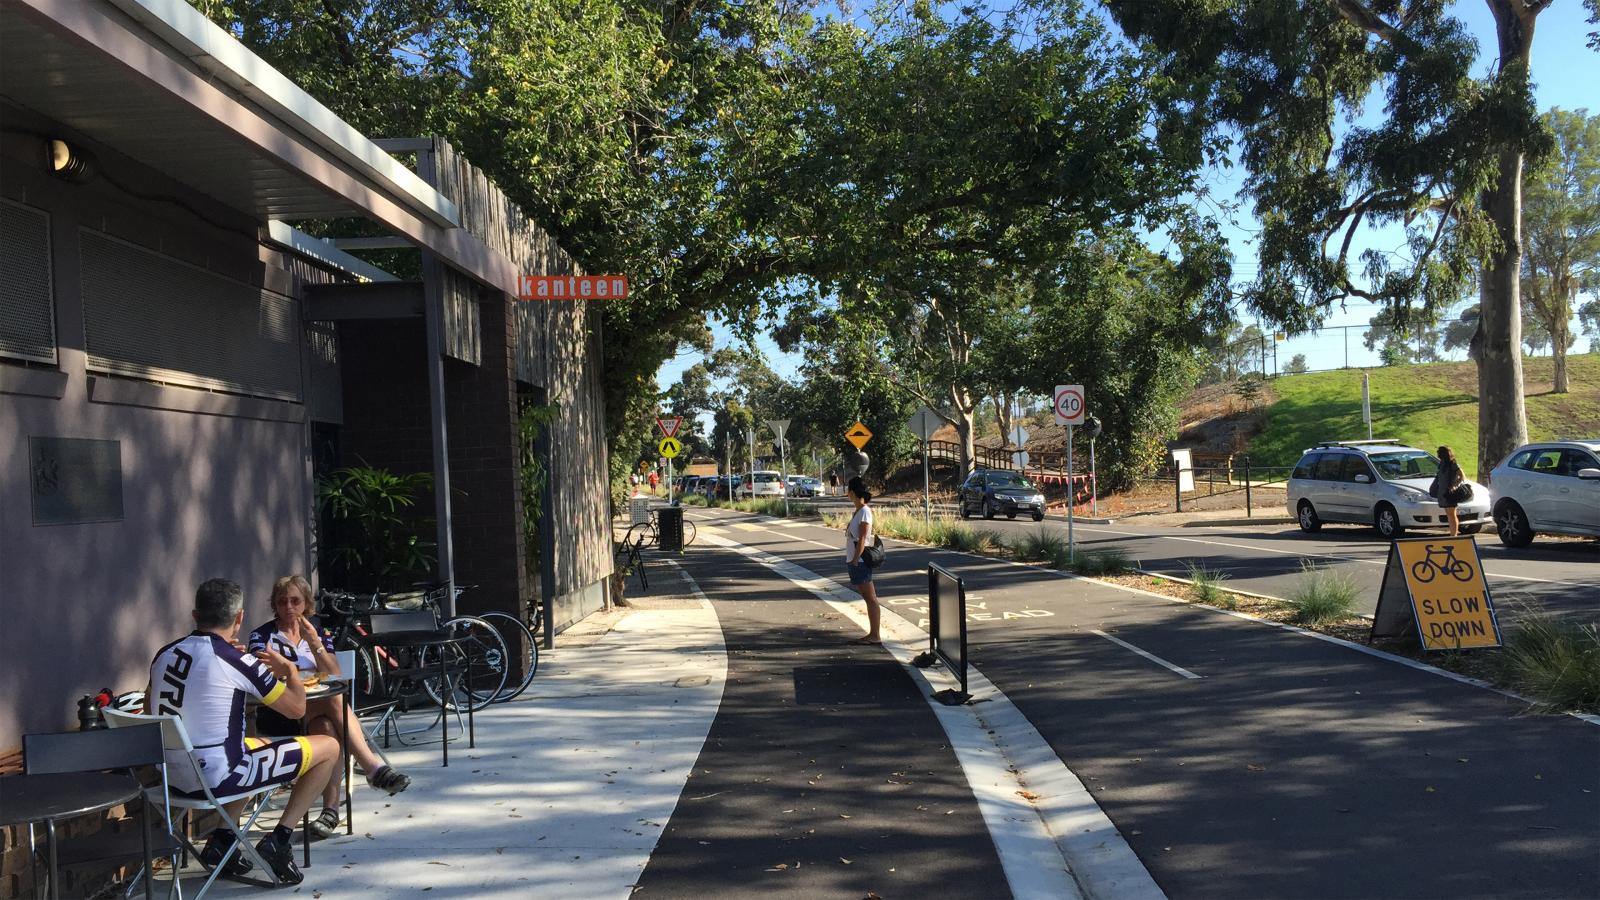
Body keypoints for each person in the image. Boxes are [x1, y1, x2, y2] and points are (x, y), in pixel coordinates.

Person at [148, 578, 339, 884]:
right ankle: (280, 839)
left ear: (195, 616)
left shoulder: (164, 654)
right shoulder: (239, 661)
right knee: (328, 747)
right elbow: (297, 709)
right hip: (217, 779)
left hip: (170, 778)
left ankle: (221, 843)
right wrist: (289, 671)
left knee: (253, 745)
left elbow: (149, 708)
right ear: (239, 618)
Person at [248, 575, 410, 839]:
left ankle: (330, 811)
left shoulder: (318, 633)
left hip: (315, 712)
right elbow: (266, 673)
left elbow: (335, 676)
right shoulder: (262, 636)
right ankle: (372, 767)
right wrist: (299, 672)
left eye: (295, 601)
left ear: (306, 604)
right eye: (282, 601)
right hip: (281, 712)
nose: (288, 607)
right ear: (274, 605)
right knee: (333, 700)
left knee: (327, 729)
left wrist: (315, 646)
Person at [843, 476, 881, 645]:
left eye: (848, 491)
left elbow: (863, 538)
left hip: (861, 562)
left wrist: (856, 560)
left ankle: (875, 635)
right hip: (855, 560)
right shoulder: (858, 511)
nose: (847, 494)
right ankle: (873, 633)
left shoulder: (864, 511)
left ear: (852, 492)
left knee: (870, 598)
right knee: (868, 597)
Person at [1435, 445, 1467, 537]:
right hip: (1443, 492)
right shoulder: (1442, 464)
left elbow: (1462, 476)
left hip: (1449, 493)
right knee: (1449, 514)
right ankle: (1453, 532)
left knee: (1451, 514)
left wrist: (1454, 486)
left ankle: (1454, 534)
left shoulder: (1453, 464)